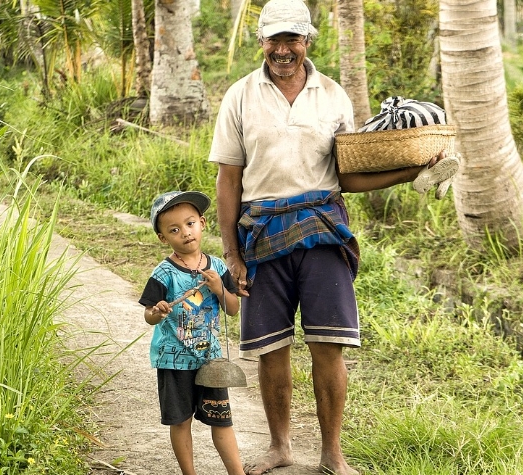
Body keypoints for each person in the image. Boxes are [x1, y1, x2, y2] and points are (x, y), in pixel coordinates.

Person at [207, 0, 457, 474]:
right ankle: (280, 447)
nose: (283, 50)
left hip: (323, 231)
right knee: (270, 349)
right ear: (260, 42)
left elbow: (348, 175)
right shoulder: (240, 96)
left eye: (292, 40)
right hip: (261, 234)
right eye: (274, 40)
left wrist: (408, 173)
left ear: (307, 41)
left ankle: (331, 454)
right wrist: (231, 255)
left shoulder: (333, 94)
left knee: (329, 345)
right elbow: (228, 179)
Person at [139, 190, 244, 475]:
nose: (185, 233)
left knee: (221, 419)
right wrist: (157, 312)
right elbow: (149, 315)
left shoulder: (218, 268)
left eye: (190, 224)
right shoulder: (163, 273)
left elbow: (233, 309)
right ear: (163, 238)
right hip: (174, 361)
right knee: (180, 420)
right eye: (174, 229)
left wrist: (219, 288)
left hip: (210, 360)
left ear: (202, 222)